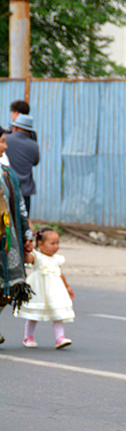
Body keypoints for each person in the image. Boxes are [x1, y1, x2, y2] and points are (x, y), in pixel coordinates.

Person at [0, 127, 34, 346]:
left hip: (7, 241)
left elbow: (20, 206)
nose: (5, 146)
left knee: (7, 287)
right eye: (2, 141)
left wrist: (26, 234)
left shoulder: (7, 173)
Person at [16, 227, 74, 349]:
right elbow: (27, 260)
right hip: (38, 290)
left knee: (58, 313)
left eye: (57, 243)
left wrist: (67, 286)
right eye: (52, 243)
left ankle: (60, 338)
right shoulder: (36, 256)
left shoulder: (57, 259)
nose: (56, 246)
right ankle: (28, 337)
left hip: (54, 291)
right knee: (34, 314)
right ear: (40, 244)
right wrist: (26, 250)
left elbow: (60, 273)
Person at [5, 114, 39, 214]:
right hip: (25, 191)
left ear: (15, 127)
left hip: (8, 189)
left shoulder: (5, 140)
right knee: (23, 222)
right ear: (30, 131)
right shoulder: (34, 146)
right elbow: (35, 162)